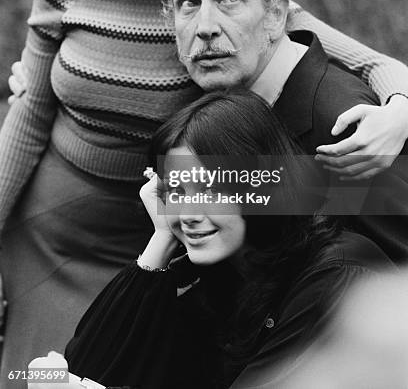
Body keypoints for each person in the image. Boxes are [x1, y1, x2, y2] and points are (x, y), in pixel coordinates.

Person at [1, 0, 408, 386]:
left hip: (170, 223)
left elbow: (365, 64)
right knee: (39, 375)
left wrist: (398, 111)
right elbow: (32, 110)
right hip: (62, 224)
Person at [62, 90, 393, 389]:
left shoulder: (334, 276)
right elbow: (84, 368)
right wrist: (161, 240)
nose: (187, 213)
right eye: (175, 191)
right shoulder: (224, 275)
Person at [163, 0, 408, 262]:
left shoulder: (344, 129)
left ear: (276, 15)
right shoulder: (219, 93)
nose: (205, 26)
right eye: (188, 2)